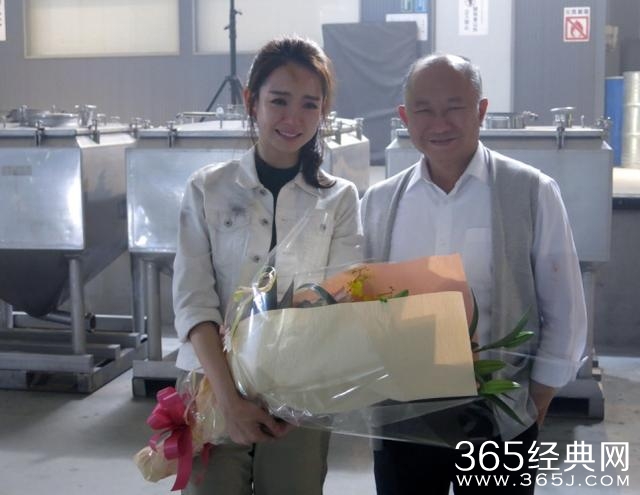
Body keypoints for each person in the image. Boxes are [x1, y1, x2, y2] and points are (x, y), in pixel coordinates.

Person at [361, 54, 587, 494]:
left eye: (454, 107)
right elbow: (361, 305)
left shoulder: (530, 191)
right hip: (402, 414)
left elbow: (564, 308)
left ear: (481, 110)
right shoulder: (378, 202)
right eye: (424, 110)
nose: (439, 123)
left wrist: (537, 398)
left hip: (499, 411)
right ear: (405, 118)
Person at [172, 36, 362, 494]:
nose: (293, 118)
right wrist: (229, 400)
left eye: (309, 104)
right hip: (211, 385)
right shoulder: (207, 189)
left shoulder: (339, 199)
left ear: (323, 111)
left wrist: (298, 401)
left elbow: (339, 304)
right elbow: (194, 301)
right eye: (278, 101)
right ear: (251, 101)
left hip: (301, 392)